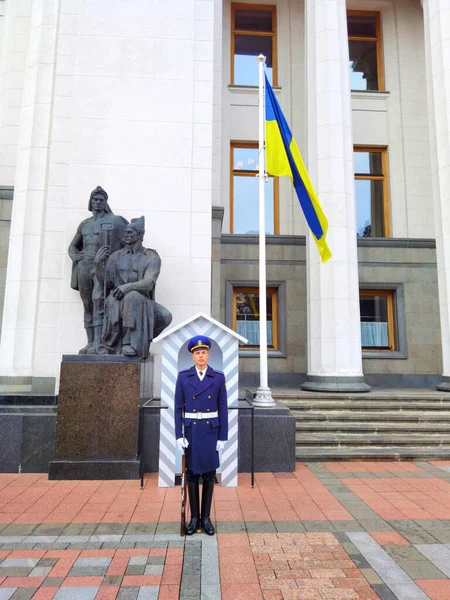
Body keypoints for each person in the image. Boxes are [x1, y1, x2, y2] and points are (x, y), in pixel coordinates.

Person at [95, 216, 172, 358]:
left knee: (164, 315)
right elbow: (107, 283)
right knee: (129, 297)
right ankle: (125, 344)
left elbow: (149, 283)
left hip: (142, 300)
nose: (126, 235)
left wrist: (128, 287)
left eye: (130, 232)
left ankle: (137, 340)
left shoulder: (151, 257)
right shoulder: (115, 256)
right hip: (117, 298)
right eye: (125, 232)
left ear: (140, 235)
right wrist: (98, 265)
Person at [174, 336, 228, 535]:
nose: (200, 356)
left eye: (203, 352)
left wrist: (223, 436)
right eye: (197, 353)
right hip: (192, 430)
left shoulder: (218, 376)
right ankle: (193, 517)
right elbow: (178, 408)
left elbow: (223, 407)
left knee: (209, 475)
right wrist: (179, 435)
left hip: (211, 430)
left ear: (208, 354)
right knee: (192, 474)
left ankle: (206, 518)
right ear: (192, 356)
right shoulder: (183, 377)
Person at [68, 186, 128, 354]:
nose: (98, 202)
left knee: (99, 300)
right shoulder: (85, 224)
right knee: (87, 304)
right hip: (84, 266)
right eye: (95, 199)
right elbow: (72, 246)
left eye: (102, 200)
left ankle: (99, 343)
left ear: (105, 202)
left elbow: (127, 241)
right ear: (91, 202)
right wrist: (75, 256)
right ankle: (89, 343)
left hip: (101, 265)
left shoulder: (115, 221)